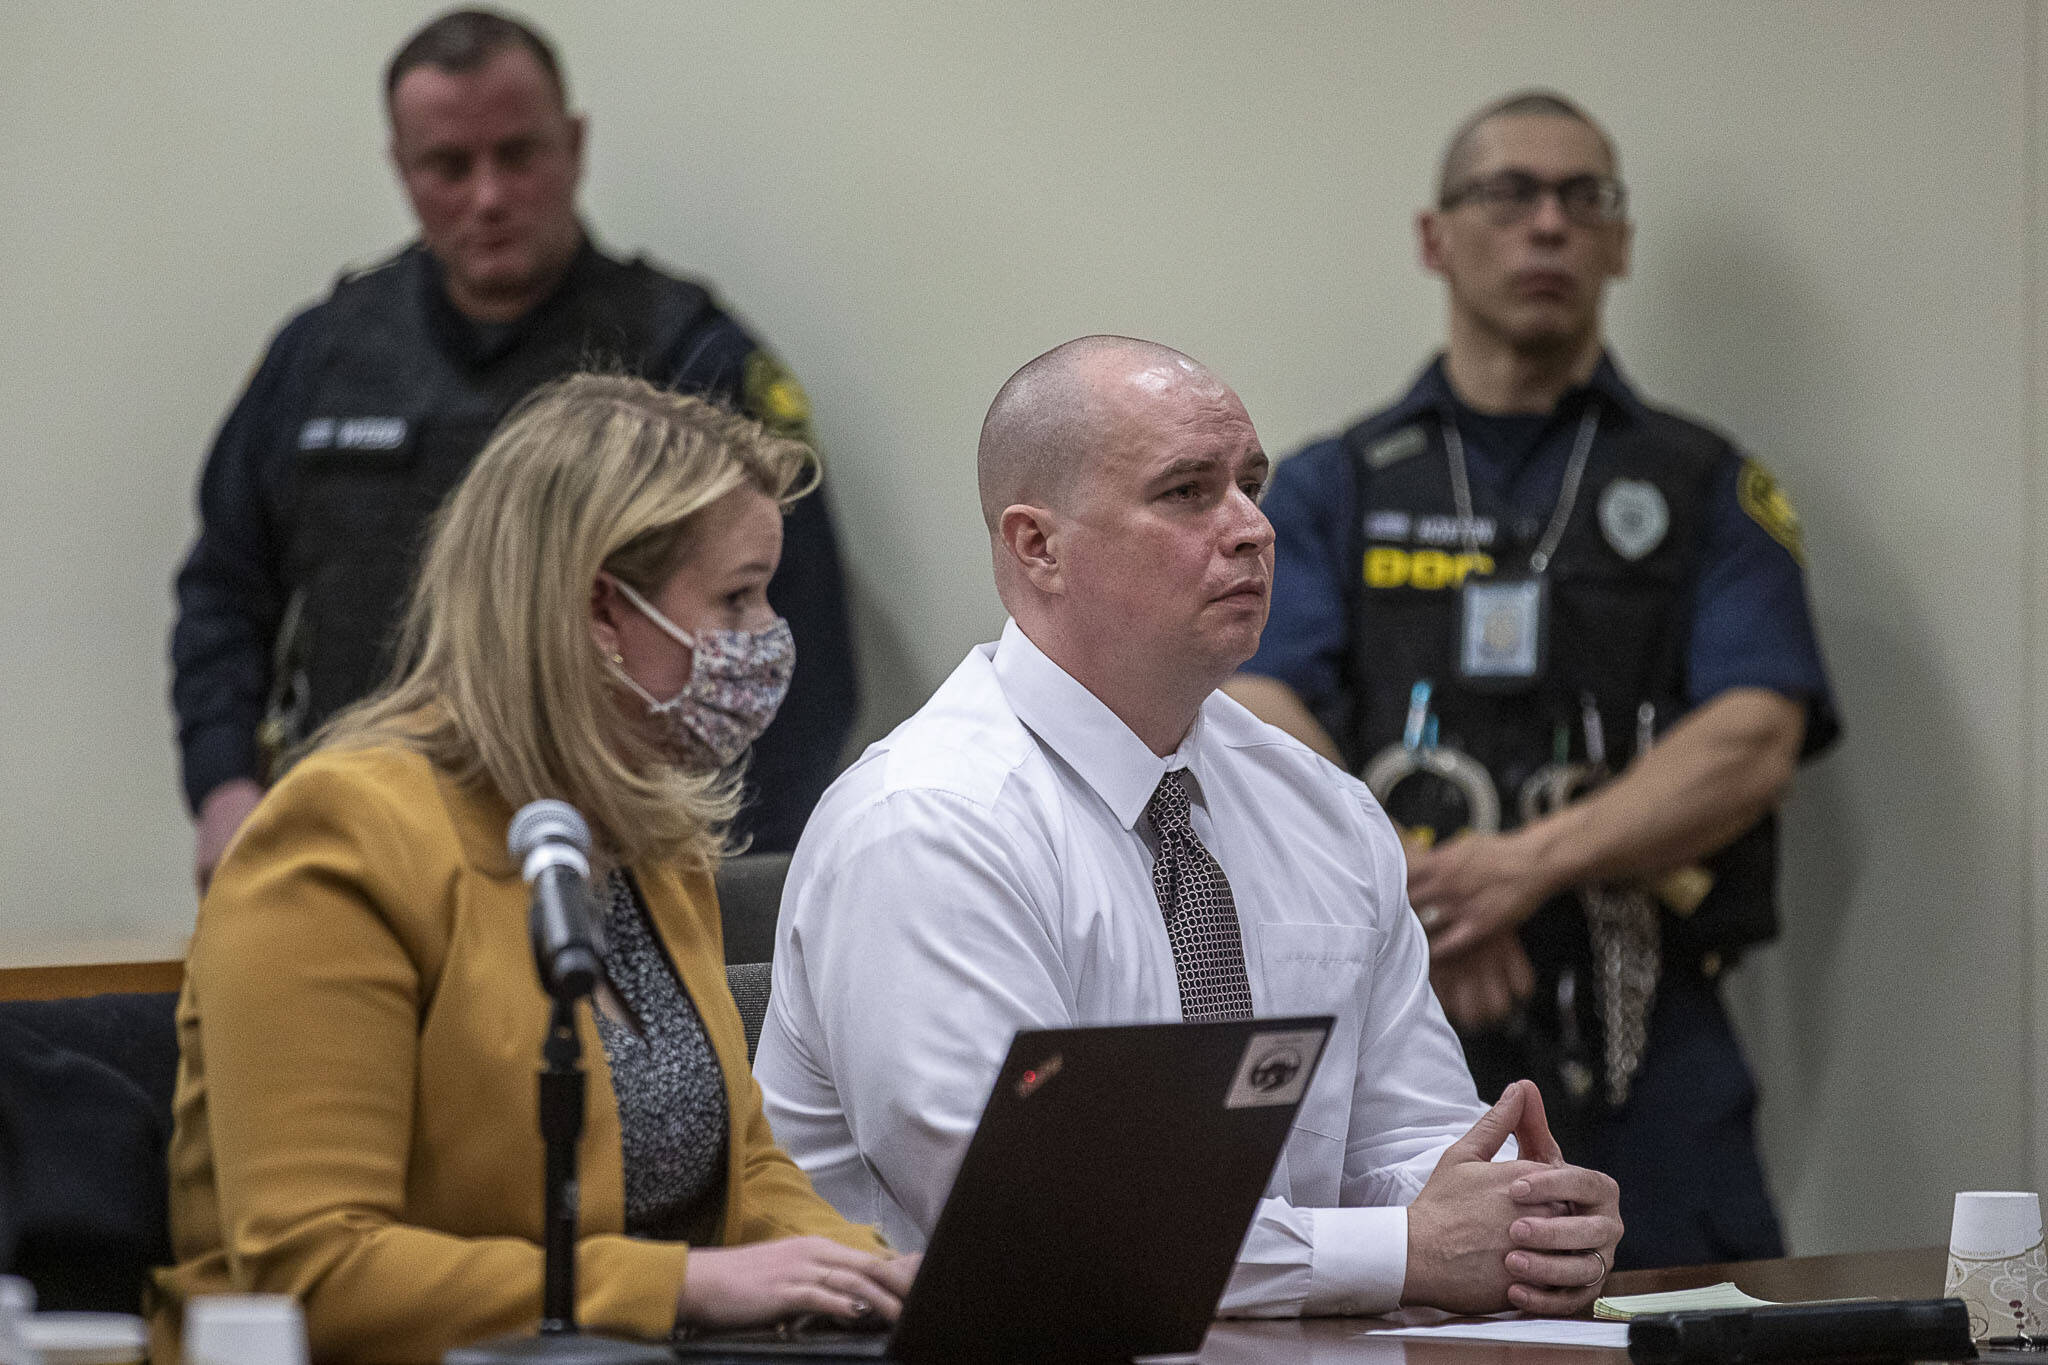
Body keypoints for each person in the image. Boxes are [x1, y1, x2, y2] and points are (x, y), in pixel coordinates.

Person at [755, 335, 1621, 1319]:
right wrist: (1397, 1251)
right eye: (1185, 493)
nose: (1252, 527)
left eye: (1249, 484)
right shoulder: (928, 826)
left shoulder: (1318, 809)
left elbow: (1404, 1135)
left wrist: (1513, 1219)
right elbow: (1034, 1227)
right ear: (1037, 545)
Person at [153, 375, 915, 1364]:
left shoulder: (649, 836)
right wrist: (678, 1285)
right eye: (734, 598)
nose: (766, 638)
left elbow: (744, 1165)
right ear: (601, 610)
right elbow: (314, 1274)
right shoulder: (337, 840)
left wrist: (874, 1276)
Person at [1225, 91, 1839, 1269]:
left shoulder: (1703, 483)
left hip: (1641, 1025)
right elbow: (1249, 706)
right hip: (1395, 1012)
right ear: (1433, 237)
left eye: (1582, 198)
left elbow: (1754, 735)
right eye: (1507, 194)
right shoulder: (1328, 486)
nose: (1546, 225)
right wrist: (1416, 892)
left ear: (1617, 242)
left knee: (1700, 1325)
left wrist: (1511, 872)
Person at [171, 8, 855, 888]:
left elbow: (791, 644)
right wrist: (224, 785)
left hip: (617, 859)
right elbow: (224, 593)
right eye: (449, 166)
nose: (488, 196)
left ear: (572, 143)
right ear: (402, 168)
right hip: (359, 843)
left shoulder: (685, 358)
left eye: (519, 153)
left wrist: (734, 873)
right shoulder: (323, 356)